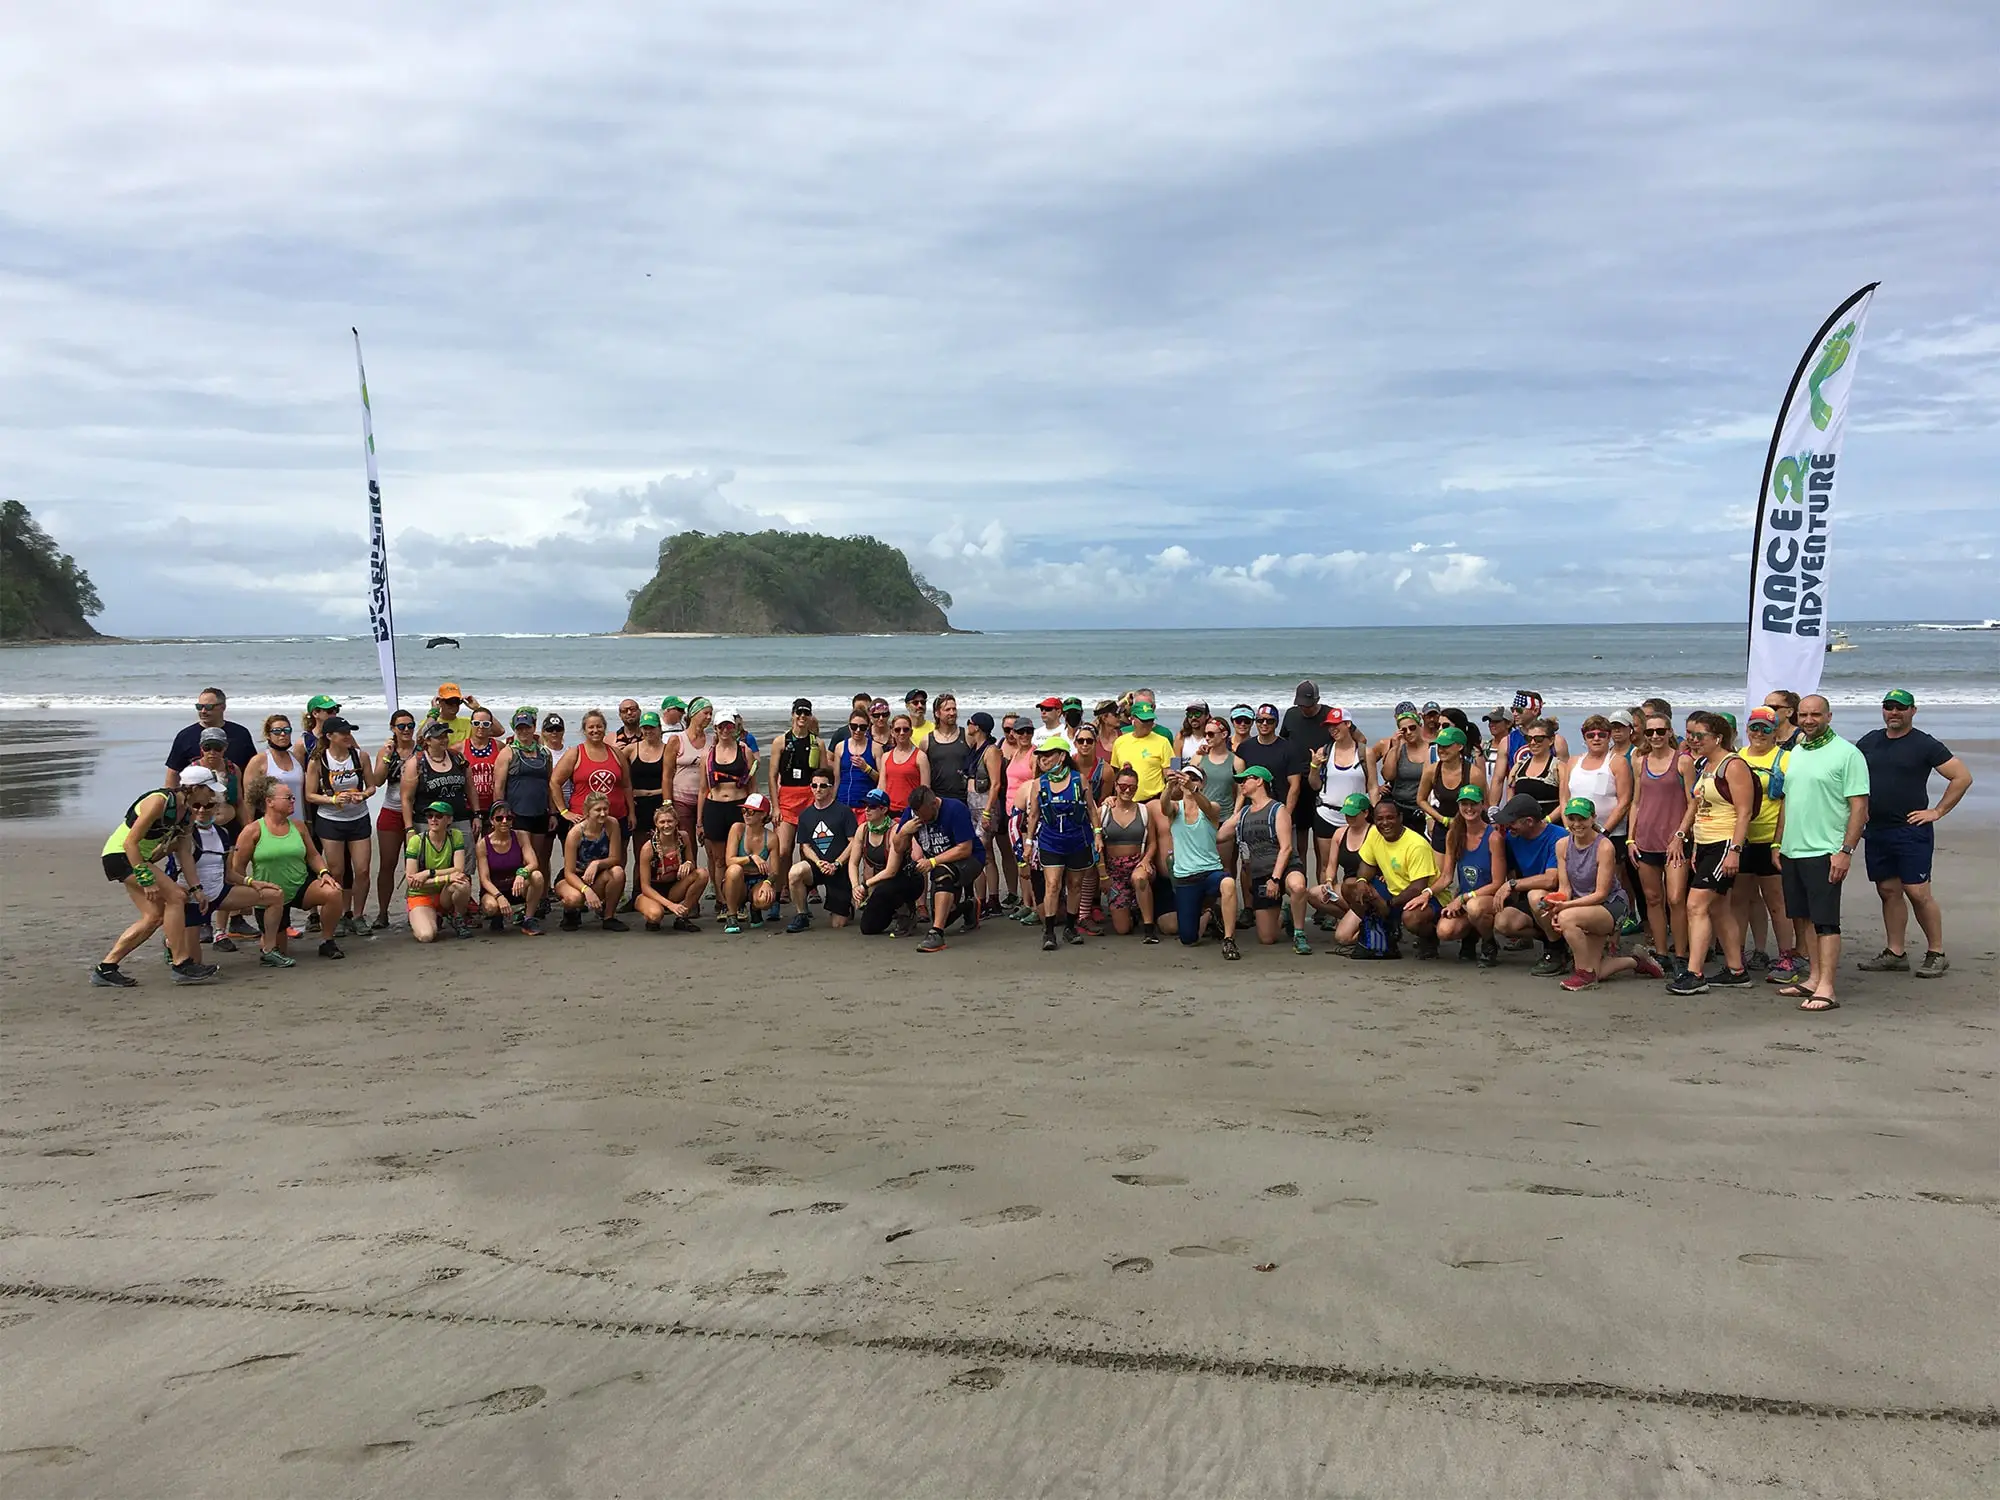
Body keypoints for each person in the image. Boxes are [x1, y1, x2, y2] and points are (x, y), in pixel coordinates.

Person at [1854, 689, 1972, 980]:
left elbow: (1962, 777)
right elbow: (1849, 776)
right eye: (1889, 707)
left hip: (1911, 830)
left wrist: (1937, 811)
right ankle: (1895, 953)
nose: (1894, 712)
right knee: (1888, 891)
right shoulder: (1869, 741)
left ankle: (1936, 952)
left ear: (1913, 711)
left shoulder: (1924, 744)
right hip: (1877, 830)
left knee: (1917, 892)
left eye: (1901, 708)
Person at [1772, 695, 1870, 1012]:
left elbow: (1859, 807)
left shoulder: (1847, 754)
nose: (1809, 720)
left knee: (1826, 921)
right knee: (1804, 918)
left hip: (1826, 850)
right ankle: (1813, 978)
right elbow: (1788, 800)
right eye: (1804, 715)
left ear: (1828, 715)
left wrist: (1846, 851)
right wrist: (1778, 842)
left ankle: (1827, 986)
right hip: (1793, 849)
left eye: (1816, 714)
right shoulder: (1797, 752)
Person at [93, 771, 221, 987]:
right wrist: (146, 880)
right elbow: (129, 843)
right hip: (120, 856)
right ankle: (181, 964)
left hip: (136, 859)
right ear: (195, 788)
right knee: (176, 897)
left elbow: (184, 853)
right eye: (209, 791)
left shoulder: (187, 814)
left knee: (153, 917)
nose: (211, 797)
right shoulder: (158, 802)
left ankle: (106, 968)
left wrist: (196, 887)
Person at [1667, 711, 1756, 995]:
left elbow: (1744, 812)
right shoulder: (1705, 764)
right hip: (1705, 844)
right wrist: (1684, 837)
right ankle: (1736, 970)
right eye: (1690, 735)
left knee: (1696, 905)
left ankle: (1694, 973)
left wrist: (1735, 851)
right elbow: (1696, 804)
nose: (1693, 740)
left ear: (1718, 737)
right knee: (1719, 908)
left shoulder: (1733, 765)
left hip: (1725, 842)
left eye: (1699, 736)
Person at [1543, 798, 1661, 990]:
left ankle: (1584, 974)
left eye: (1582, 818)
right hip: (1583, 907)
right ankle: (1637, 961)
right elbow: (1565, 889)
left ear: (1593, 819)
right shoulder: (1562, 845)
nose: (1576, 824)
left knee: (1567, 918)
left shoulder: (1604, 846)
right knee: (1599, 970)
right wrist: (1555, 905)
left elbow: (1601, 894)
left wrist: (1565, 909)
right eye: (1572, 818)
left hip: (1610, 905)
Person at [234, 777, 346, 960]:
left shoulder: (298, 826)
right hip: (270, 895)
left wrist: (324, 873)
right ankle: (271, 940)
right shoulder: (252, 831)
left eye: (293, 797)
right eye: (288, 798)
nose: (293, 801)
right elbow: (237, 868)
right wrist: (246, 894)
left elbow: (313, 855)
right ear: (269, 802)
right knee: (278, 950)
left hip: (300, 885)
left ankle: (327, 941)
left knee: (333, 892)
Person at [173, 789, 285, 964]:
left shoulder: (223, 834)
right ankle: (170, 942)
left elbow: (228, 873)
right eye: (196, 806)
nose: (202, 810)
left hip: (218, 893)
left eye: (208, 805)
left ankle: (269, 950)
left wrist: (252, 882)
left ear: (216, 808)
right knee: (194, 963)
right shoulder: (182, 834)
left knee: (275, 895)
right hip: (192, 899)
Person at [1628, 709, 1692, 973]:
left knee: (1676, 898)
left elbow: (1693, 803)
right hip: (1645, 839)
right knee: (1653, 898)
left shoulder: (1683, 761)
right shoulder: (1638, 760)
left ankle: (1681, 954)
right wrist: (1631, 839)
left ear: (1669, 732)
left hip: (1674, 842)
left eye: (1660, 731)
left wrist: (1680, 835)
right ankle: (1662, 953)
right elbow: (1635, 802)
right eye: (1650, 732)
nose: (1655, 736)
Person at [1340, 798, 1443, 961]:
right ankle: (1383, 929)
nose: (1385, 823)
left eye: (1390, 817)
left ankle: (1430, 938)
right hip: (1391, 891)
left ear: (1400, 818)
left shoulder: (1416, 845)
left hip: (1425, 897)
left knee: (1411, 918)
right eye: (1380, 818)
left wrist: (1388, 906)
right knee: (1349, 886)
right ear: (1374, 820)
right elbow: (1367, 865)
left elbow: (1418, 887)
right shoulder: (1374, 833)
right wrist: (1361, 882)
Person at [1223, 763, 1311, 954]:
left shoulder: (1278, 810)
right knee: (1267, 938)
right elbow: (1220, 835)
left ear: (1260, 781)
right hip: (1260, 874)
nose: (1242, 784)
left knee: (1297, 886)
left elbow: (1287, 848)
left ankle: (1299, 934)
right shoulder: (1244, 814)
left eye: (1246, 780)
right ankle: (1284, 915)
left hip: (1284, 869)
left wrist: (1276, 879)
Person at [1023, 735, 1099, 950]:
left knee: (1075, 885)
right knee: (1053, 884)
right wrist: (1028, 843)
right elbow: (1033, 816)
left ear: (1062, 756)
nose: (1043, 760)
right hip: (1051, 840)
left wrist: (1098, 835)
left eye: (1048, 755)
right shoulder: (1039, 784)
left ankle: (1070, 928)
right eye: (1041, 756)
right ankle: (1048, 932)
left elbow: (1092, 809)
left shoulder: (1079, 780)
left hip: (1077, 839)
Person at [303, 715, 376, 938]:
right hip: (330, 820)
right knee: (337, 871)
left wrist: (362, 795)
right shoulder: (319, 761)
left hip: (358, 818)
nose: (348, 736)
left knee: (362, 869)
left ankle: (358, 915)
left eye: (349, 732)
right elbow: (310, 795)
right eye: (343, 733)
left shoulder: (360, 756)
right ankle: (342, 914)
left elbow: (372, 787)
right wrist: (334, 800)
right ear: (329, 736)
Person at [1733, 707, 1793, 975]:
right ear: (1747, 729)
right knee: (1743, 899)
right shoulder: (1737, 758)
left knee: (1776, 901)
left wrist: (1778, 842)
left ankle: (1786, 956)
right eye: (1754, 727)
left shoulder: (1785, 759)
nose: (1759, 733)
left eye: (1766, 728)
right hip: (1743, 839)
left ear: (1775, 730)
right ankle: (1750, 952)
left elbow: (1788, 804)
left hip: (1771, 839)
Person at [1158, 766, 1238, 958]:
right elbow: (1164, 807)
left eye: (1195, 778)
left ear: (1202, 783)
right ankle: (1210, 913)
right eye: (1186, 776)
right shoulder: (1176, 809)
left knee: (1228, 883)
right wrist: (1169, 786)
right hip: (1186, 877)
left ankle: (1229, 940)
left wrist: (1192, 789)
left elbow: (1209, 809)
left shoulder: (1212, 807)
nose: (1189, 780)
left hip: (1211, 872)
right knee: (1188, 939)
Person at [895, 785, 980, 953]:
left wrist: (932, 862)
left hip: (969, 860)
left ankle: (937, 934)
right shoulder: (913, 814)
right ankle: (969, 906)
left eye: (923, 815)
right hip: (941, 862)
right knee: (942, 915)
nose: (920, 818)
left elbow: (965, 848)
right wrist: (904, 832)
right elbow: (898, 848)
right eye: (917, 814)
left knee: (941, 872)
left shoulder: (955, 809)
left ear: (934, 804)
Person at [1488, 793, 1565, 972]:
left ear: (1529, 821)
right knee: (1503, 922)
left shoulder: (1559, 837)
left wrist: (1512, 884)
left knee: (1535, 895)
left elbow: (1551, 879)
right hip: (1531, 902)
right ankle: (1552, 938)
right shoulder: (1512, 838)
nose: (1508, 827)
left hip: (1561, 897)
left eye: (1512, 822)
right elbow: (1509, 868)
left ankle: (1556, 951)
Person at [493, 707, 556, 913]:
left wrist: (553, 812)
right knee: (523, 858)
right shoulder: (508, 752)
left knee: (539, 857)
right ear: (515, 729)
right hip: (517, 815)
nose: (524, 731)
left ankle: (541, 896)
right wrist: (499, 815)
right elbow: (499, 786)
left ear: (533, 727)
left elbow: (550, 784)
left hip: (540, 813)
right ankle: (518, 898)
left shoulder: (544, 753)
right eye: (519, 728)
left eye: (527, 727)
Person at [556, 711, 633, 871]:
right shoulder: (575, 753)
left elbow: (626, 785)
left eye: (599, 726)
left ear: (605, 728)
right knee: (580, 862)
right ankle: (582, 891)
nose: (595, 730)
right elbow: (554, 782)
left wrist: (631, 812)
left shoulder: (616, 753)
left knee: (617, 861)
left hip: (617, 816)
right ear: (584, 730)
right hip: (584, 820)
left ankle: (615, 894)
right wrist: (564, 811)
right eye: (591, 727)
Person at [1096, 765, 1162, 941]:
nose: (1127, 790)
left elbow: (1153, 842)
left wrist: (1147, 860)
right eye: (1123, 786)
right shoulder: (1103, 811)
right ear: (1116, 786)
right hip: (1114, 870)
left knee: (1139, 879)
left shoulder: (1144, 811)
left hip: (1138, 864)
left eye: (1132, 787)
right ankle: (1133, 910)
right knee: (1122, 929)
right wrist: (1103, 875)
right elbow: (1096, 845)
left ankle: (1149, 928)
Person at [786, 772, 857, 932]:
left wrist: (837, 864)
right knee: (795, 872)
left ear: (831, 788)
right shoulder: (805, 814)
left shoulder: (844, 812)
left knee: (837, 924)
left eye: (823, 786)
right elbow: (805, 846)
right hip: (817, 866)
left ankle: (847, 905)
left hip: (839, 869)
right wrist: (818, 862)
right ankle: (802, 915)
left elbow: (853, 842)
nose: (818, 789)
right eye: (814, 785)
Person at [1436, 785, 1500, 964]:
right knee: (1444, 931)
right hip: (1465, 899)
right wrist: (1426, 894)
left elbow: (1497, 883)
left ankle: (1489, 942)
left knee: (1475, 907)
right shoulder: (1453, 834)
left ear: (1482, 806)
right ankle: (1471, 936)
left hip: (1488, 898)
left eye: (1474, 804)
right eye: (1464, 803)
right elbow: (1446, 877)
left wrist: (1463, 898)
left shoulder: (1493, 837)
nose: (1469, 809)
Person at [370, 709, 418, 930]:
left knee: (415, 866)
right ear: (393, 729)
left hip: (417, 813)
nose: (406, 730)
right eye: (401, 726)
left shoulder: (421, 750)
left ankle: (415, 910)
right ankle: (382, 912)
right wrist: (388, 755)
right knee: (388, 865)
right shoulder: (386, 751)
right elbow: (377, 781)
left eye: (410, 725)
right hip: (391, 810)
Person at [403, 801, 472, 943]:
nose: (433, 819)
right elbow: (412, 882)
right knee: (426, 936)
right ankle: (431, 916)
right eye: (429, 816)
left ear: (449, 820)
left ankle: (457, 917)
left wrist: (429, 872)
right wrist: (445, 878)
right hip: (421, 895)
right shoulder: (417, 841)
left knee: (462, 883)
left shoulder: (455, 836)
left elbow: (458, 870)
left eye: (439, 816)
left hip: (443, 893)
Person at [558, 791, 628, 931]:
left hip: (598, 874)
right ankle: (570, 913)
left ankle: (608, 916)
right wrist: (586, 890)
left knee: (618, 872)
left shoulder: (612, 824)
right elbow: (569, 872)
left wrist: (597, 863)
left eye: (605, 809)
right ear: (587, 812)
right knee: (574, 899)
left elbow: (615, 858)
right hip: (574, 876)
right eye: (598, 810)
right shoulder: (576, 833)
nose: (603, 813)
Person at [634, 803, 707, 932]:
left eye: (670, 821)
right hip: (651, 892)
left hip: (673, 888)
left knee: (702, 874)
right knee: (656, 915)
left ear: (676, 822)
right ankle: (652, 916)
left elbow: (692, 864)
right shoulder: (648, 848)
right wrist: (671, 906)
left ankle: (682, 917)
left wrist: (688, 863)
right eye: (662, 822)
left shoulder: (683, 837)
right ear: (656, 824)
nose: (666, 825)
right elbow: (645, 887)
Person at [165, 688, 257, 790]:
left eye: (208, 707)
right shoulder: (185, 736)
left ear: (223, 707)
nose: (203, 711)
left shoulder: (240, 734)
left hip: (233, 796)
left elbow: (253, 769)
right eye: (199, 707)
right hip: (196, 799)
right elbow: (173, 773)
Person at [1415, 725, 1486, 855]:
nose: (1441, 750)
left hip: (1469, 826)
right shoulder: (1432, 771)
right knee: (1441, 873)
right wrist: (1440, 819)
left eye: (1446, 746)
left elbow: (1483, 804)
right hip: (1443, 824)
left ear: (1460, 747)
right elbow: (1420, 799)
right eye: (1439, 746)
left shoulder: (1474, 774)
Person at [475, 805, 546, 934]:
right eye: (499, 818)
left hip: (516, 887)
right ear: (492, 821)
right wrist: (499, 896)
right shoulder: (483, 844)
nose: (504, 821)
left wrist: (521, 874)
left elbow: (533, 862)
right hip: (495, 890)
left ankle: (528, 919)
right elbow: (484, 879)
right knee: (491, 907)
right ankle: (497, 916)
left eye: (508, 818)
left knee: (537, 876)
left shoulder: (521, 836)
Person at [963, 712, 1007, 915]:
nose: (968, 726)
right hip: (972, 806)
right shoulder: (975, 747)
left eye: (970, 723)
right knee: (984, 854)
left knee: (980, 852)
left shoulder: (991, 751)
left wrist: (988, 812)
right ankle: (983, 900)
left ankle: (990, 900)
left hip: (985, 807)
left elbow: (996, 783)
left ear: (978, 727)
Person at [663, 698, 712, 870]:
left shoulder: (713, 740)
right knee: (687, 843)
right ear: (693, 714)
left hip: (706, 800)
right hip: (680, 799)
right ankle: (690, 881)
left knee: (710, 844)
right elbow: (667, 775)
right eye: (705, 713)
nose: (709, 717)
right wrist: (667, 803)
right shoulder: (677, 740)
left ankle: (716, 885)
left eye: (711, 714)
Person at [722, 794, 780, 932]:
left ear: (763, 815)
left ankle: (755, 909)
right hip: (737, 881)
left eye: (751, 811)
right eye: (744, 810)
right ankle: (731, 915)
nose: (746, 814)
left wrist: (768, 883)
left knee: (765, 898)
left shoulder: (771, 838)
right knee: (734, 870)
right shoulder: (737, 829)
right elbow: (729, 860)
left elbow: (775, 871)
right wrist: (751, 857)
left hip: (758, 878)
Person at [243, 714, 307, 832]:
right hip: (270, 825)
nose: (283, 734)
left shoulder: (296, 759)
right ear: (268, 735)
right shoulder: (259, 761)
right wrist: (249, 828)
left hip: (298, 822)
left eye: (286, 730)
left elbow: (303, 794)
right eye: (277, 731)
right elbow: (249, 799)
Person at [1373, 706, 1431, 831]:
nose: (1409, 732)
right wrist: (1395, 747)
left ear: (1420, 725)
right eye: (1404, 730)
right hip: (1399, 807)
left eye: (1412, 728)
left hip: (1423, 809)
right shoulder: (1399, 749)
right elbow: (1388, 775)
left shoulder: (1432, 749)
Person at [626, 711, 670, 874]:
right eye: (644, 728)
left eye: (651, 728)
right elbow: (622, 776)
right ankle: (638, 892)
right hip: (639, 804)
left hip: (660, 802)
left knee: (663, 850)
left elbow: (671, 778)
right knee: (641, 852)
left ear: (659, 728)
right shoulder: (631, 749)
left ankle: (662, 889)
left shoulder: (668, 750)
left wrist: (668, 804)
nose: (648, 731)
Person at [1108, 700, 1174, 806]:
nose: (1148, 724)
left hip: (1153, 800)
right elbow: (1115, 772)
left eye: (1150, 720)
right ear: (1133, 719)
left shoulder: (1163, 741)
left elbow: (1173, 771)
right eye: (1144, 720)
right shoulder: (1120, 741)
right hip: (1125, 799)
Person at [1503, 718, 1567, 821]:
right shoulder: (1517, 768)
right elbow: (1510, 799)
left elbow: (1564, 801)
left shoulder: (1559, 768)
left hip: (1550, 826)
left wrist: (1546, 821)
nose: (1533, 743)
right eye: (1529, 739)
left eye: (1538, 739)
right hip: (1522, 827)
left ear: (1551, 741)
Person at [879, 712, 928, 816]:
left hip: (911, 811)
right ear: (892, 732)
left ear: (911, 732)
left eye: (905, 729)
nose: (901, 733)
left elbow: (925, 789)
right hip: (889, 811)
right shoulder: (886, 756)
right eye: (897, 730)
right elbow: (881, 786)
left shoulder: (920, 757)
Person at [425, 683, 478, 748]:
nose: (454, 705)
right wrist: (434, 711)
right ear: (440, 702)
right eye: (449, 701)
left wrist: (478, 708)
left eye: (457, 701)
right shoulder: (430, 722)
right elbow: (420, 739)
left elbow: (493, 731)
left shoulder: (469, 723)